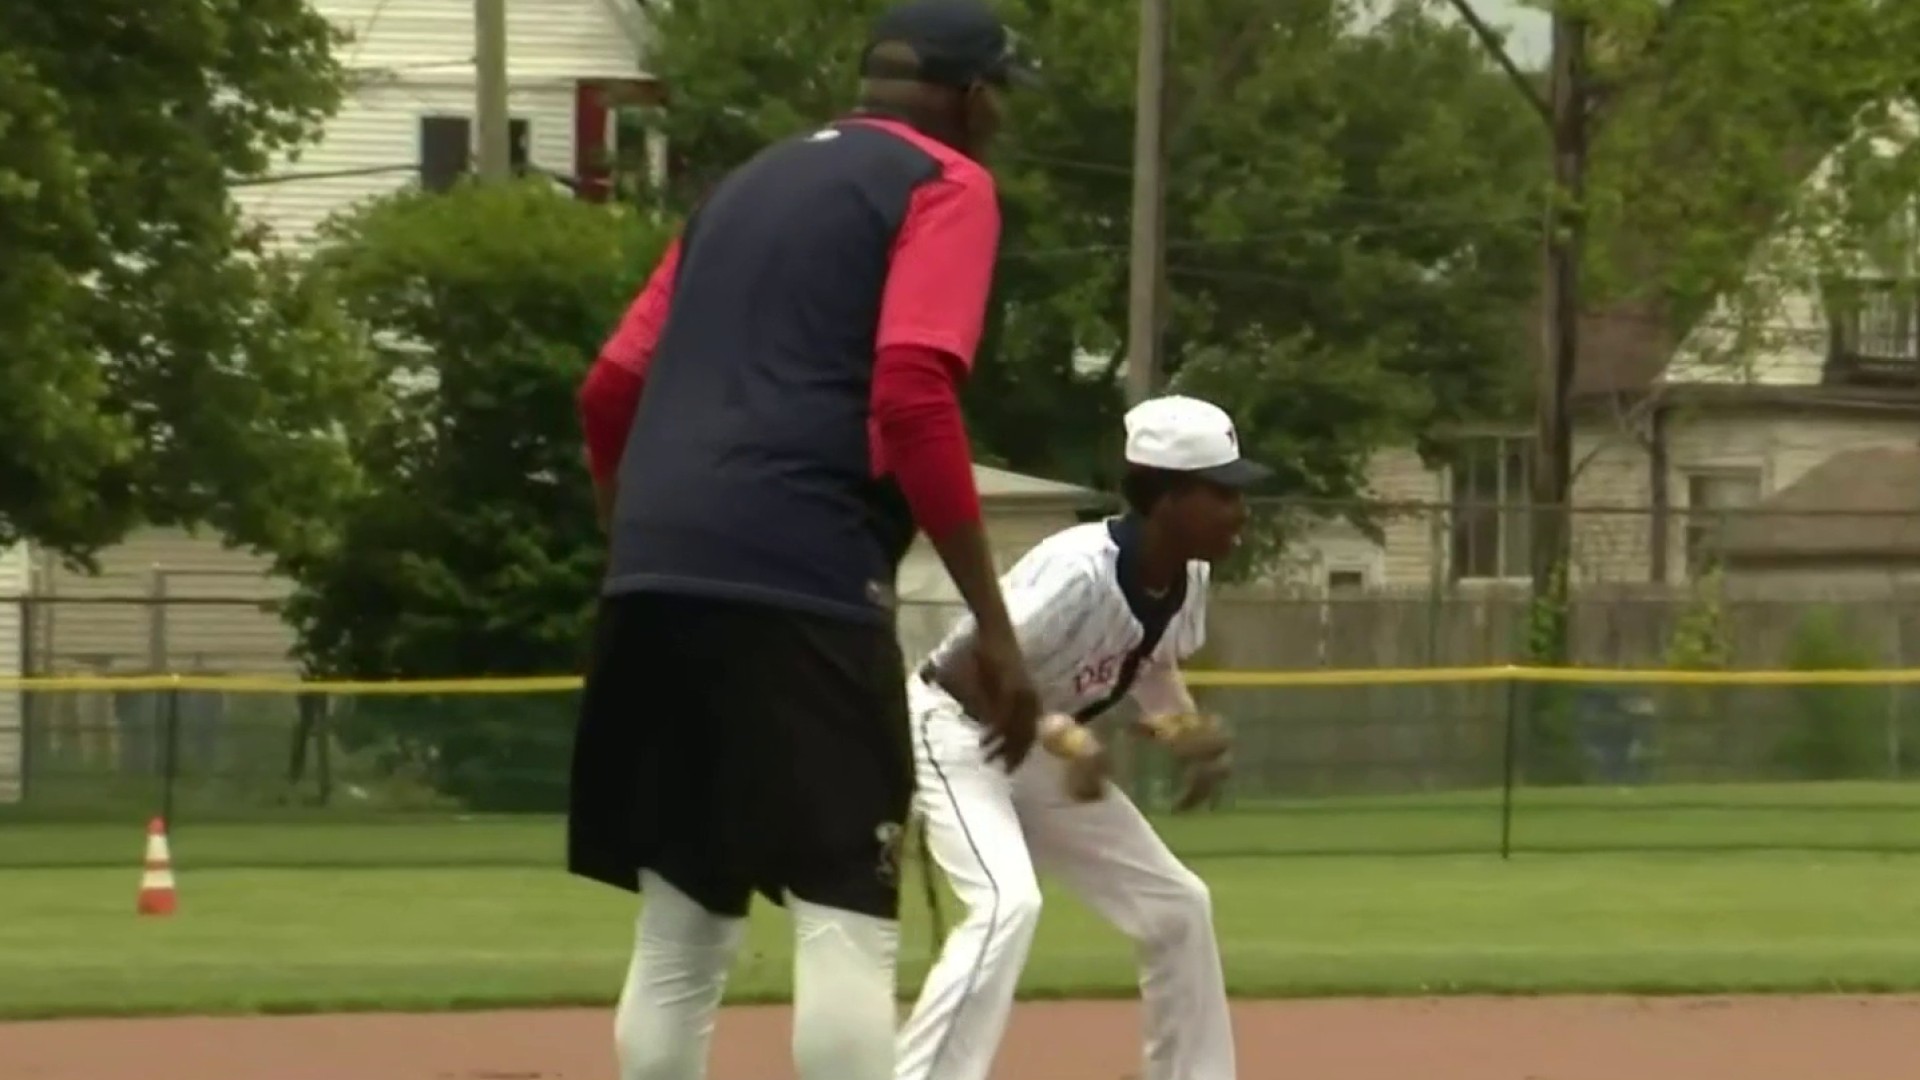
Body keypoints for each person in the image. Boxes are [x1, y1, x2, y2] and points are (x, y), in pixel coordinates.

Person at [565, 3, 1043, 1079]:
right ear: (970, 99)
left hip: (658, 570)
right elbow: (915, 391)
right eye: (1000, 96)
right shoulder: (947, 186)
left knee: (682, 927)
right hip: (802, 569)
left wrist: (628, 538)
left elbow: (609, 390)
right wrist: (994, 627)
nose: (1001, 118)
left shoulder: (739, 190)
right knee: (843, 912)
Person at [895, 394, 1263, 1080]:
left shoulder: (1187, 579)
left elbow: (1150, 665)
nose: (1240, 510)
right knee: (1008, 902)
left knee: (1178, 907)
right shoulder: (1079, 569)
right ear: (1166, 498)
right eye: (1222, 492)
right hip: (953, 729)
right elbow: (964, 671)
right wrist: (1066, 739)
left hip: (1034, 745)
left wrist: (1183, 729)